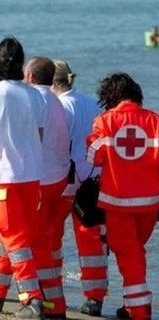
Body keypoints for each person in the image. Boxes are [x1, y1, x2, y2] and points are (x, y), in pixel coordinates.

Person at [0, 37, 46, 319]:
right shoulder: (35, 95)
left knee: (14, 239)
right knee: (12, 238)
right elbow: (39, 135)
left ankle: (31, 298)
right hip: (32, 177)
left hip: (2, 178)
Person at [87, 72, 159, 320]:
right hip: (150, 204)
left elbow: (93, 157)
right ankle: (134, 306)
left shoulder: (105, 121)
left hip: (117, 203)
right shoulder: (154, 120)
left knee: (128, 254)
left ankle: (139, 311)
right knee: (136, 252)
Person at [51, 60, 108, 317]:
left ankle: (50, 291)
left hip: (67, 180)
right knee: (93, 242)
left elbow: (57, 146)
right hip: (95, 180)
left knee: (51, 236)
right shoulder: (91, 103)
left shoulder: (59, 107)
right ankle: (95, 298)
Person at [23, 57, 71, 319]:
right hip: (59, 178)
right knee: (48, 241)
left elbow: (32, 140)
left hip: (41, 179)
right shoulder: (56, 101)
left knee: (33, 242)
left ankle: (50, 302)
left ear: (30, 77)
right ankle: (51, 297)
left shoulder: (35, 100)